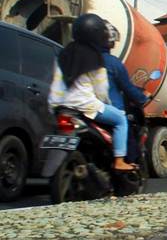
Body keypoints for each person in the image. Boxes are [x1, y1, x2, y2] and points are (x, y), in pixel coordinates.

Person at [48, 13, 135, 171]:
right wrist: (106, 104)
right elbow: (101, 90)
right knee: (121, 120)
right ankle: (119, 161)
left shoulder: (63, 53)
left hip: (59, 106)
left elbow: (56, 81)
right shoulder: (96, 57)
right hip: (86, 106)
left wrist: (54, 104)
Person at [102, 21, 148, 111]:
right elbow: (127, 87)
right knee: (122, 123)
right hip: (110, 109)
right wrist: (142, 98)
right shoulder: (113, 63)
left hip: (83, 109)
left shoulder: (81, 58)